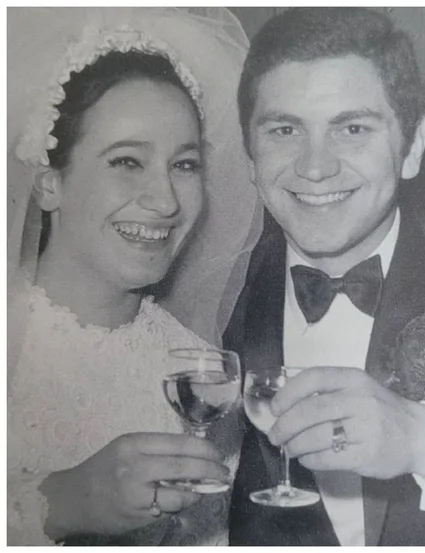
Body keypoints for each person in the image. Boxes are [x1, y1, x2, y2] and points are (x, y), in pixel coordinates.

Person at [7, 7, 259, 545]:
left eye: (184, 165)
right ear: (48, 182)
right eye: (126, 161)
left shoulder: (204, 378)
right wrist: (51, 504)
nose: (166, 200)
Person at [223, 7, 425, 547]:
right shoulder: (218, 300)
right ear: (251, 154)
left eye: (351, 128)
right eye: (284, 130)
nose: (315, 167)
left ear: (411, 146)